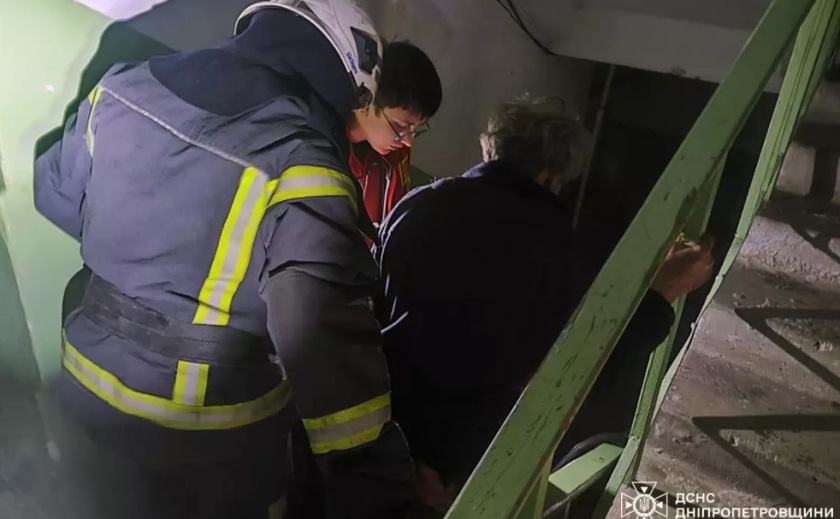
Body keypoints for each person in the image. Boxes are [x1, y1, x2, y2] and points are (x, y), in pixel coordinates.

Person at [33, 1, 414, 518]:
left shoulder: (123, 85)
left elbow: (54, 194)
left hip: (84, 389)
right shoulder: (303, 160)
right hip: (206, 443)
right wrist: (379, 484)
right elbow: (322, 344)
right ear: (345, 73)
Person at [373, 96, 715, 515]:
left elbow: (367, 311)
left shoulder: (414, 206)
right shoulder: (565, 253)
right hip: (466, 470)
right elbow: (585, 371)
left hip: (380, 430)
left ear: (491, 149)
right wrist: (660, 296)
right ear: (553, 175)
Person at [347, 40, 442, 235]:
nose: (408, 142)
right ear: (366, 102)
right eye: (401, 127)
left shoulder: (395, 153)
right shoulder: (318, 148)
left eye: (416, 130)